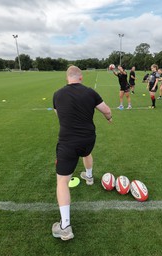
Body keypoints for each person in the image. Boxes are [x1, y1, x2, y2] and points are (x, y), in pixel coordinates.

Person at [52, 66, 112, 241]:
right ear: (81, 78)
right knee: (86, 153)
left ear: (67, 78)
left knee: (62, 181)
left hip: (68, 142)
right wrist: (109, 119)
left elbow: (58, 114)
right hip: (88, 139)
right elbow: (107, 110)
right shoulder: (90, 92)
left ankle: (65, 226)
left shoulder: (58, 94)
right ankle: (89, 176)